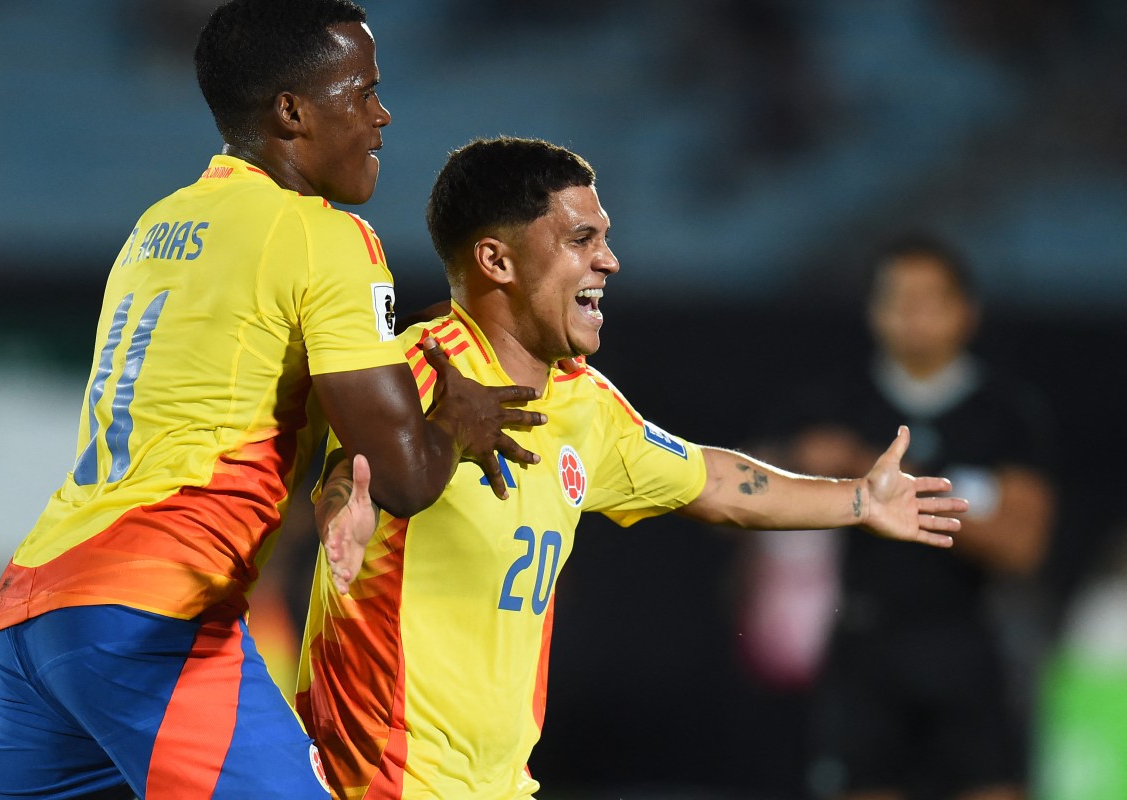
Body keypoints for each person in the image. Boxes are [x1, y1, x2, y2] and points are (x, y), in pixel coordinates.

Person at [0, 3, 546, 799]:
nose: (381, 113)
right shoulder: (323, 237)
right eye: (361, 91)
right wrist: (455, 422)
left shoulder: (158, 225)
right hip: (153, 615)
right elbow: (404, 477)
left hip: (38, 605)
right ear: (292, 111)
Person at [292, 136, 968, 800]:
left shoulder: (585, 404)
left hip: (497, 786)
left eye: (604, 239)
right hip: (377, 778)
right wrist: (341, 510)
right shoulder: (419, 367)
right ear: (496, 259)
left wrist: (860, 501)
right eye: (580, 240)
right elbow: (351, 475)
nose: (609, 262)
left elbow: (714, 481)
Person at [765, 236, 1056, 800]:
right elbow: (750, 489)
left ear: (965, 310)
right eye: (897, 298)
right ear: (874, 310)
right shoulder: (833, 403)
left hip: (966, 642)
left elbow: (1024, 547)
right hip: (865, 643)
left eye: (929, 299)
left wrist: (887, 486)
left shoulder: (1005, 415)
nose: (912, 315)